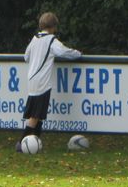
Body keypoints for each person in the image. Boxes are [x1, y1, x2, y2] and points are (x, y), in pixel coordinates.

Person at [16, 11, 81, 152]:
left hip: (32, 80)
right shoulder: (51, 41)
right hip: (42, 82)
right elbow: (64, 52)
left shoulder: (35, 39)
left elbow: (26, 57)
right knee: (35, 115)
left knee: (39, 115)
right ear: (53, 27)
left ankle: (35, 142)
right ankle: (22, 143)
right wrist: (78, 54)